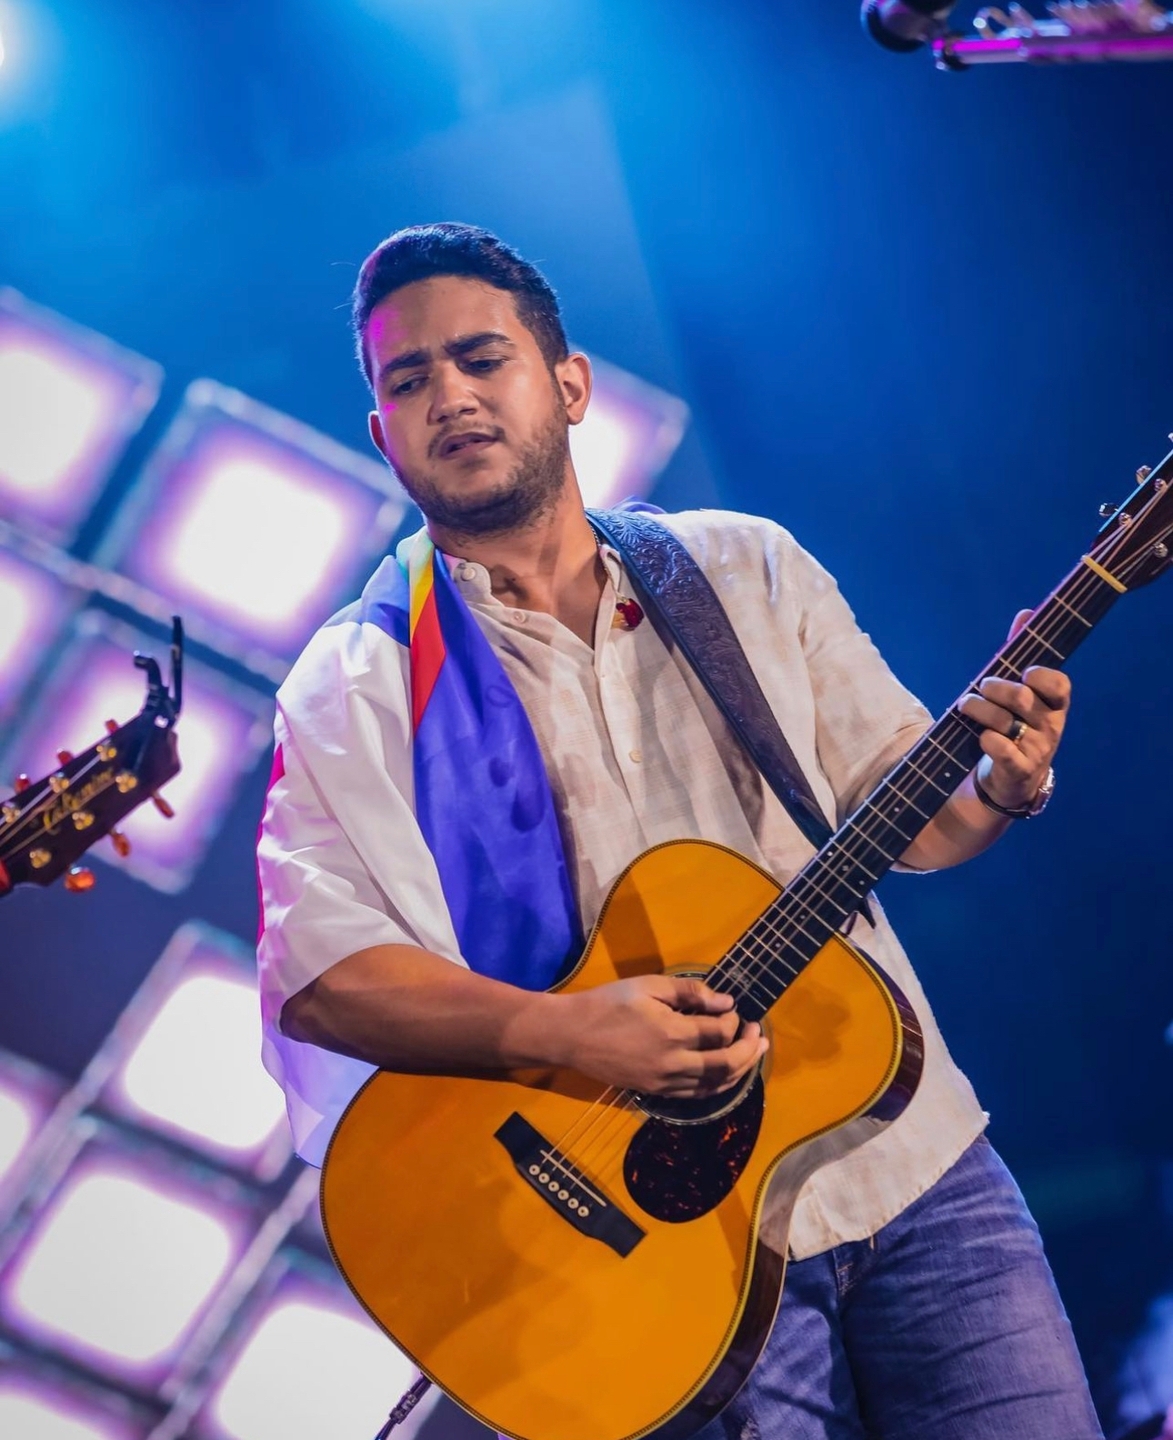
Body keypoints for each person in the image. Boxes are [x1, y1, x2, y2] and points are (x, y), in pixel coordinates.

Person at [256, 223, 1102, 1440]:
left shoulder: (745, 567)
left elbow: (909, 819)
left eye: (481, 358)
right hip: (655, 1248)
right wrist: (562, 1031)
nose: (449, 395)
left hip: (915, 1171)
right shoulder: (357, 683)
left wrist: (1006, 789)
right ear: (381, 436)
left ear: (570, 383)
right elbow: (321, 977)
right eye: (409, 380)